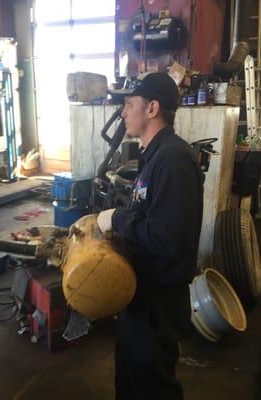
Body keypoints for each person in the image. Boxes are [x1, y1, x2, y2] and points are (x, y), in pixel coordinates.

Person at [97, 72, 203, 400]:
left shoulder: (173, 159)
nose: (124, 112)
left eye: (130, 104)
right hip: (139, 295)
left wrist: (117, 220)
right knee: (129, 381)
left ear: (152, 108)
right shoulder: (152, 155)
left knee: (153, 387)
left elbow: (166, 239)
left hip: (158, 303)